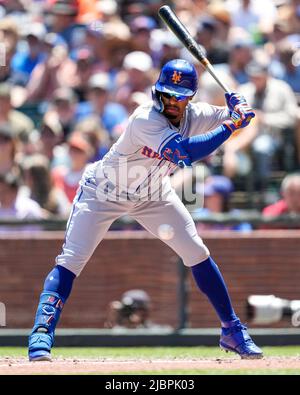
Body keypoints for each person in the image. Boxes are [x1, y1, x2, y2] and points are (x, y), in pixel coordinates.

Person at [28, 58, 263, 361]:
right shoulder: (144, 119)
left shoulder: (197, 114)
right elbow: (185, 153)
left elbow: (237, 115)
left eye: (180, 96)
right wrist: (232, 124)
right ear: (158, 93)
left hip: (152, 195)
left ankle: (232, 329)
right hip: (103, 193)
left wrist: (239, 107)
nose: (173, 102)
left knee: (196, 251)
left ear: (190, 98)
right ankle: (41, 333)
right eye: (168, 94)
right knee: (72, 260)